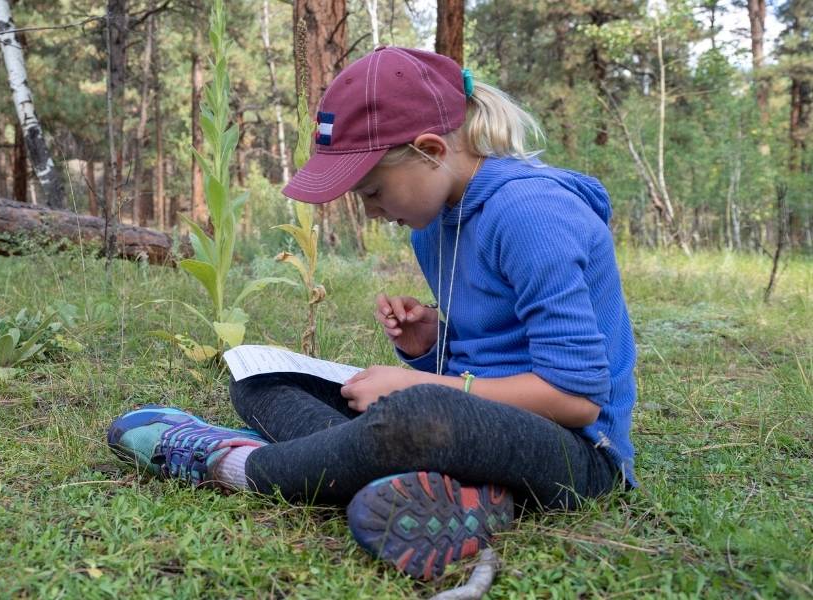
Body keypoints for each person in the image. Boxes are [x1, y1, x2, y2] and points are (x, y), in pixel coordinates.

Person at [107, 47, 636, 581]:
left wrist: (412, 387)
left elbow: (576, 400)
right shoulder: (433, 225)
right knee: (259, 380)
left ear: (430, 150)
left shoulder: (531, 214)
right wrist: (428, 344)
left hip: (577, 457)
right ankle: (457, 492)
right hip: (468, 428)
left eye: (374, 191)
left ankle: (230, 464)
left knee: (413, 415)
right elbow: (488, 352)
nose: (372, 211)